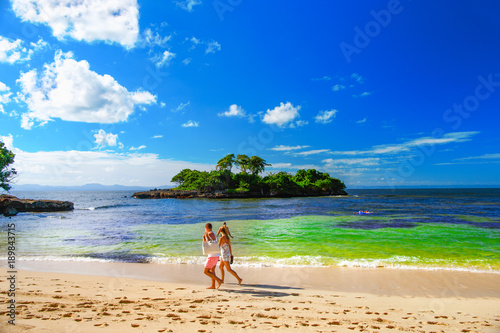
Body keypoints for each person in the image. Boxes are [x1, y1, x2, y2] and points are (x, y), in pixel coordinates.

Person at [203, 223, 223, 289]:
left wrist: (204, 236)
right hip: (216, 254)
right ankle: (213, 285)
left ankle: (219, 280)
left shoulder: (208, 234)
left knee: (206, 271)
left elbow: (206, 243)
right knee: (212, 271)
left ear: (206, 228)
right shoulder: (214, 233)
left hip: (211, 255)